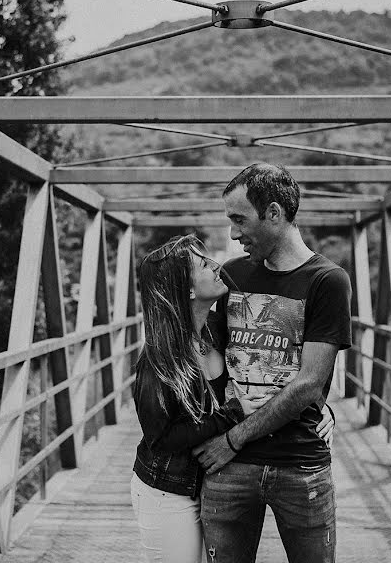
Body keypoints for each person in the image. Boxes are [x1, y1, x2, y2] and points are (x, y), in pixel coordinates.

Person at [130, 234, 335, 563]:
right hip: (167, 490)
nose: (217, 267)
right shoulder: (159, 359)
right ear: (189, 290)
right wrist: (230, 415)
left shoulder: (215, 330)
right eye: (203, 263)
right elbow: (161, 439)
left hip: (208, 482)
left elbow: (271, 365)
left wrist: (319, 407)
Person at [193, 163, 352, 563]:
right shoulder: (231, 275)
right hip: (229, 468)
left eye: (239, 219)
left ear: (275, 214)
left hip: (298, 465)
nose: (233, 233)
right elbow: (205, 355)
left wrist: (232, 439)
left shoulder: (327, 281)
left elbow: (308, 383)